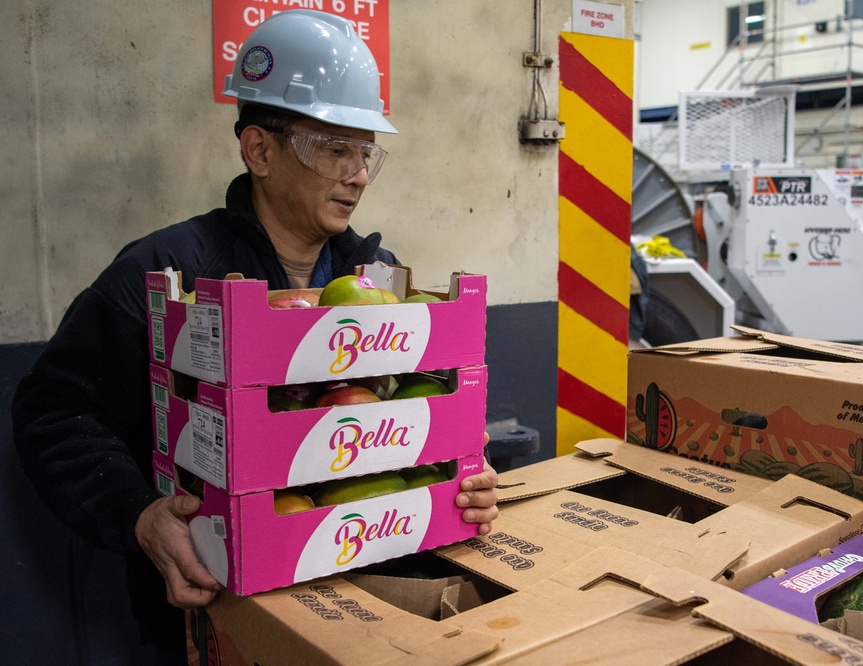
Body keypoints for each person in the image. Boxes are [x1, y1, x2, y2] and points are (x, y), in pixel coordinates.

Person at [11, 10, 499, 661]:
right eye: (334, 148)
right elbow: (53, 409)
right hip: (220, 617)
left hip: (359, 606)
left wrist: (456, 474)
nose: (356, 174)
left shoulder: (379, 287)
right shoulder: (167, 276)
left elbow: (410, 425)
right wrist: (140, 517)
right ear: (260, 150)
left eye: (365, 152)